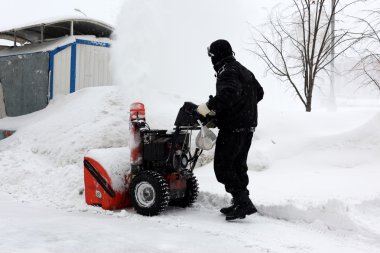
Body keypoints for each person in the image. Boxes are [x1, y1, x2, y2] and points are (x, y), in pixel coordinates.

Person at [197, 39, 264, 221]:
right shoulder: (242, 69)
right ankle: (241, 201)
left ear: (216, 55)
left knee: (223, 167)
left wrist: (208, 107)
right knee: (238, 166)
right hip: (247, 128)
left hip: (234, 128)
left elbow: (228, 94)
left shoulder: (227, 71)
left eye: (211, 55)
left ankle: (242, 203)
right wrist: (243, 108)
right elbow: (259, 92)